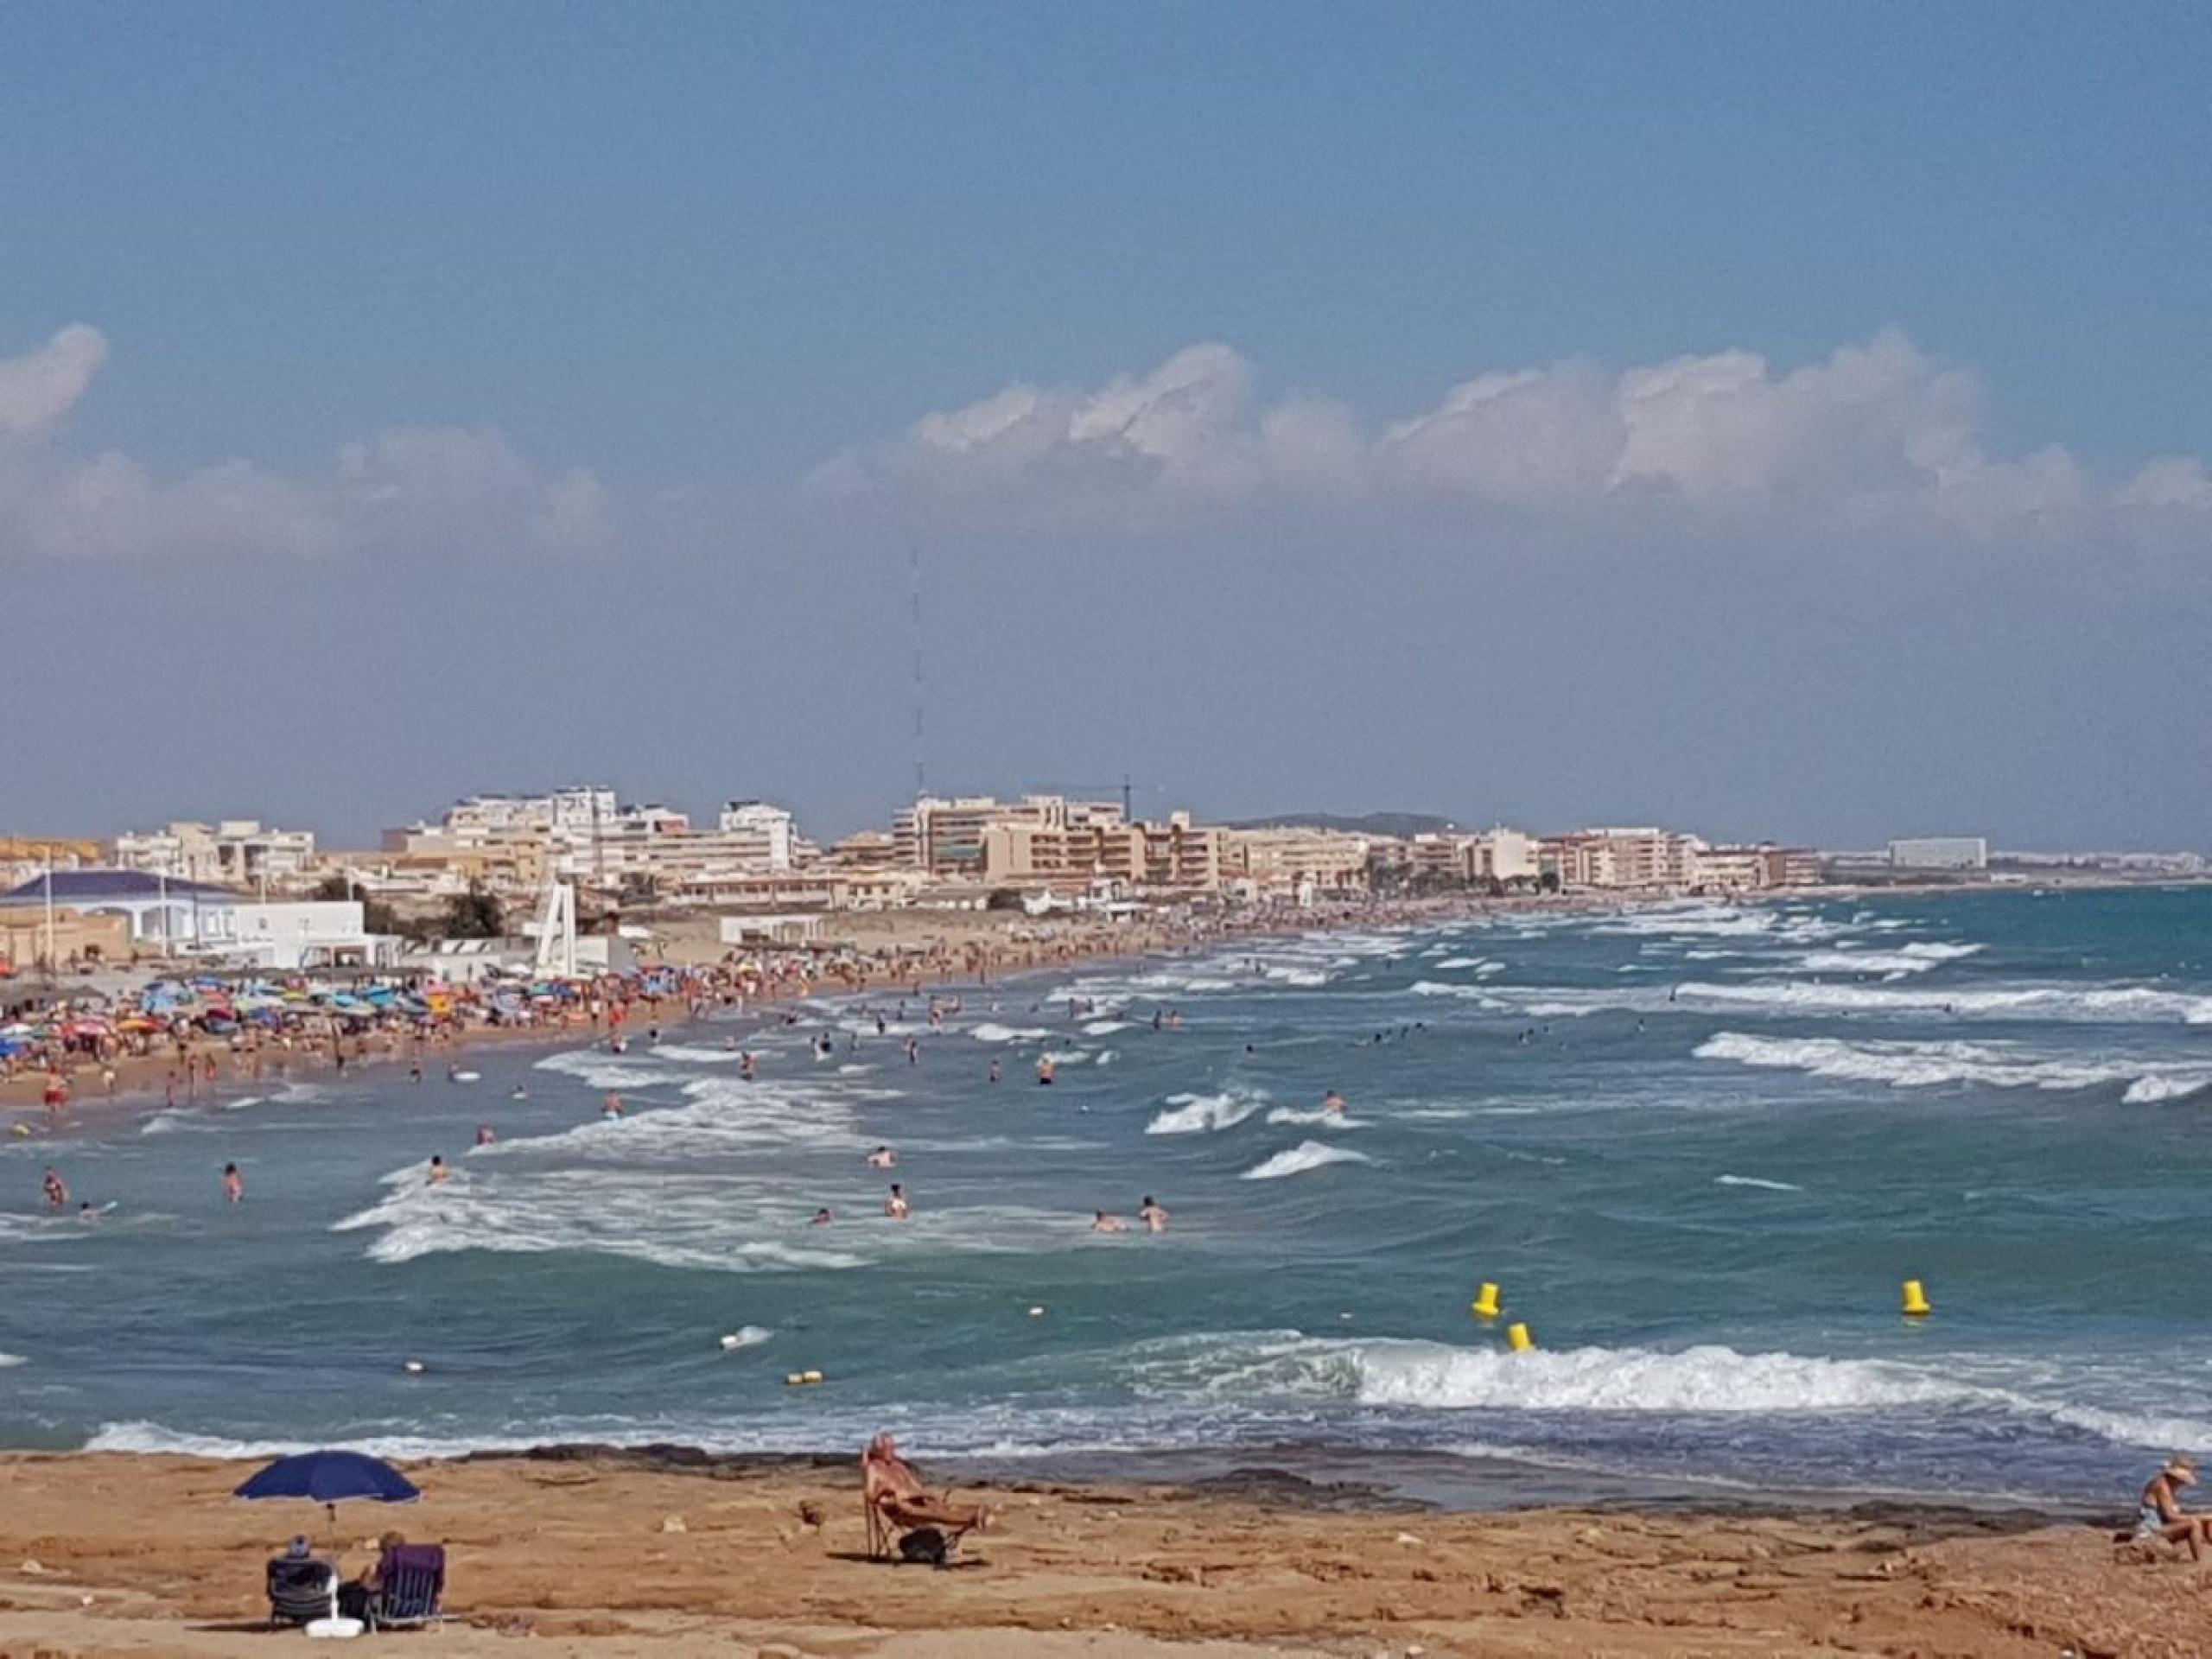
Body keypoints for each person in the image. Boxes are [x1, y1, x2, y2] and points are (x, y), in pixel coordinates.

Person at [2136, 1456, 2211, 1558]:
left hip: (2160, 1526)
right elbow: (2171, 1516)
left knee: (2204, 1521)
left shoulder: (2168, 1485)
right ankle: (2198, 1559)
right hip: (2151, 1531)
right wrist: (2203, 1516)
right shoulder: (2162, 1486)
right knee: (2194, 1524)